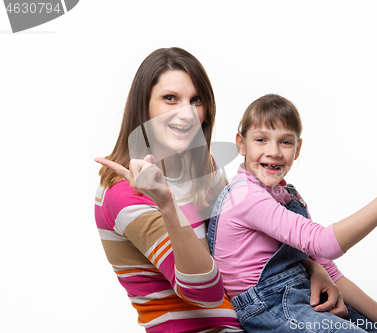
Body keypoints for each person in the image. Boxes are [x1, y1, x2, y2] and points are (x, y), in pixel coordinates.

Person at [94, 48, 342, 333]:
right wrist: (167, 204)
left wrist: (312, 269)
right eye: (170, 98)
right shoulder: (122, 193)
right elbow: (204, 293)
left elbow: (242, 250)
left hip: (265, 315)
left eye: (196, 100)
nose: (186, 114)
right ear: (144, 105)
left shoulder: (203, 168)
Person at [207, 93, 377, 332]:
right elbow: (323, 243)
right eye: (261, 139)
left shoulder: (288, 195)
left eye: (285, 141)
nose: (273, 151)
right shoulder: (244, 195)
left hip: (304, 295)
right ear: (241, 143)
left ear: (298, 149)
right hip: (269, 308)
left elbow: (327, 266)